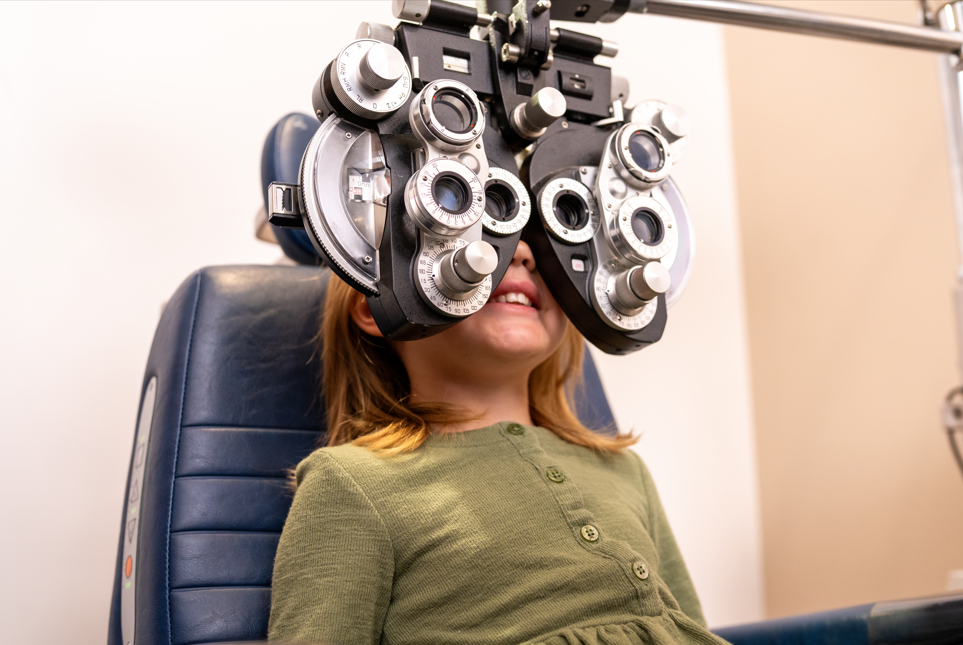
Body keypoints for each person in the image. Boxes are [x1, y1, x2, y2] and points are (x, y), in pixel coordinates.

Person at [268, 240, 726, 645]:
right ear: (375, 304)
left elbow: (691, 627)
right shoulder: (353, 483)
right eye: (483, 235)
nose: (523, 253)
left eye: (541, 240)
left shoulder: (624, 471)